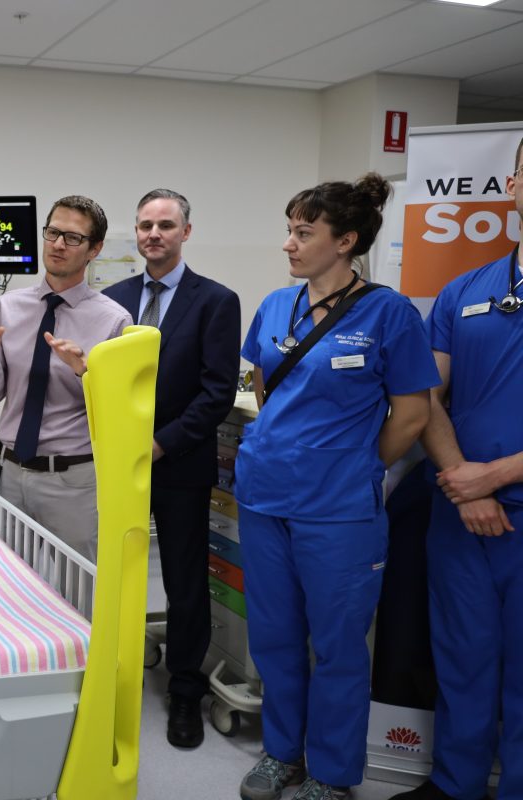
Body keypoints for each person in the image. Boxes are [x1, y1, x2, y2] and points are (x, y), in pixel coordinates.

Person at [233, 173, 438, 800]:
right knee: (272, 636)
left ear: (346, 240)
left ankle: (331, 771)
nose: (290, 245)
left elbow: (413, 414)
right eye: (290, 231)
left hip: (340, 511)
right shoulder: (275, 305)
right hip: (264, 496)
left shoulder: (389, 313)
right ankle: (280, 754)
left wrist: (354, 463)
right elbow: (265, 387)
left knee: (340, 647)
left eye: (304, 233)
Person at [389, 142, 523, 800]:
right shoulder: (464, 290)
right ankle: (456, 784)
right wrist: (462, 478)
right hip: (460, 512)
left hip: (504, 500)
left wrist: (494, 476)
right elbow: (428, 395)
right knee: (464, 657)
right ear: (514, 186)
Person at [102, 188, 240, 749]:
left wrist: (158, 445)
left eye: (164, 225)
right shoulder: (112, 299)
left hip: (177, 463)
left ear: (186, 232)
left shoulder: (215, 300)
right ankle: (110, 670)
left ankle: (184, 690)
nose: (153, 234)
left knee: (183, 581)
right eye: (144, 225)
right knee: (113, 570)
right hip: (114, 463)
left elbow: (216, 393)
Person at [0, 195, 131, 561]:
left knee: (77, 591)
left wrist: (85, 372)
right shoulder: (8, 307)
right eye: (53, 232)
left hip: (71, 480)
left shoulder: (114, 320)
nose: (59, 244)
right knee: (2, 582)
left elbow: (115, 414)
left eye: (73, 238)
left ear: (95, 249)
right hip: (7, 471)